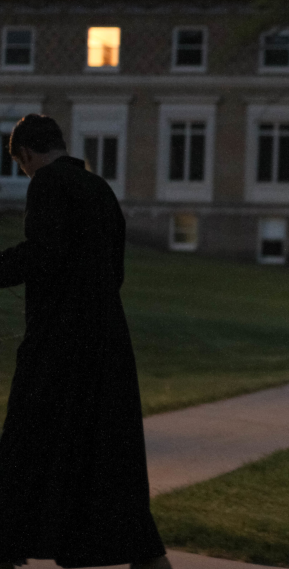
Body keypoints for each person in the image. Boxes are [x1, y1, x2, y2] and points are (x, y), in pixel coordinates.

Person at [0, 115, 170, 569]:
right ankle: (147, 554)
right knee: (105, 449)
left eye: (21, 164)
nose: (25, 171)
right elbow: (115, 272)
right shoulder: (100, 190)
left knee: (25, 440)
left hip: (59, 339)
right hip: (107, 337)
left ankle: (8, 542)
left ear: (28, 155)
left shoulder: (47, 184)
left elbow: (43, 253)